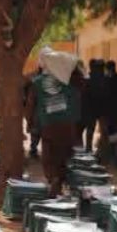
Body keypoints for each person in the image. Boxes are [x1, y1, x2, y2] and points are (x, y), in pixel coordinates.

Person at [33, 46, 80, 196]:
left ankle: (54, 180)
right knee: (64, 156)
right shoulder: (69, 80)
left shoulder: (38, 82)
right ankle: (58, 182)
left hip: (49, 126)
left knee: (49, 156)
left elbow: (30, 105)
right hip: (69, 126)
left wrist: (31, 123)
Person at [83, 59, 107, 153]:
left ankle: (89, 150)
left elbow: (85, 95)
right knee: (103, 132)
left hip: (91, 109)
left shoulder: (88, 79)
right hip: (102, 109)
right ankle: (103, 151)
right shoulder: (105, 79)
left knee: (90, 130)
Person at [24, 68, 42, 159]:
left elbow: (30, 103)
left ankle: (33, 150)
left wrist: (28, 117)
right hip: (49, 114)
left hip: (38, 114)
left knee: (35, 134)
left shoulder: (35, 84)